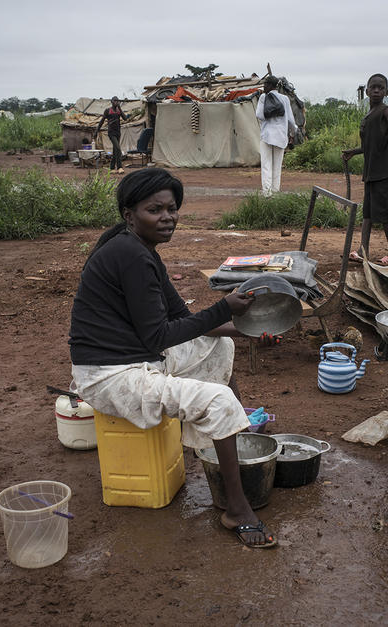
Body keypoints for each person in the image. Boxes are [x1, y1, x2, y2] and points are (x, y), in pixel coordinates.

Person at [69, 168, 280, 548]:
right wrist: (223, 308)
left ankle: (231, 435)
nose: (167, 217)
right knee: (219, 400)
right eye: (155, 210)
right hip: (108, 375)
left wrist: (245, 331)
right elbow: (160, 336)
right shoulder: (130, 255)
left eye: (171, 209)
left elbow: (182, 319)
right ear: (129, 214)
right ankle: (236, 509)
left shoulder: (140, 250)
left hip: (135, 356)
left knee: (220, 345)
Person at [342, 73, 388, 265]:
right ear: (367, 91)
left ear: (386, 91)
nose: (377, 90)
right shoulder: (368, 116)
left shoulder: (385, 111)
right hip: (370, 173)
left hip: (383, 173)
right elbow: (368, 146)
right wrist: (354, 152)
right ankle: (363, 249)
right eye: (373, 87)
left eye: (381, 88)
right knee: (368, 214)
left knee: (385, 214)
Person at [255, 76, 297, 196]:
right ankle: (275, 192)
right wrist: (292, 133)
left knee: (266, 165)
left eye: (265, 84)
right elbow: (290, 120)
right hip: (281, 136)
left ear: (270, 85)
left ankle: (267, 193)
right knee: (277, 166)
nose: (264, 86)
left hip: (267, 136)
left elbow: (259, 115)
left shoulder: (263, 97)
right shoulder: (285, 99)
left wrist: (269, 113)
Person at [95, 97, 128, 173]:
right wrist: (96, 131)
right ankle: (119, 167)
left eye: (117, 101)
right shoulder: (108, 110)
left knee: (115, 150)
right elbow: (102, 121)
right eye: (115, 101)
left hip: (118, 132)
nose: (116, 102)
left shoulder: (119, 111)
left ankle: (112, 168)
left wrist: (120, 108)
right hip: (111, 133)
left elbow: (125, 118)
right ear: (111, 102)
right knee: (118, 149)